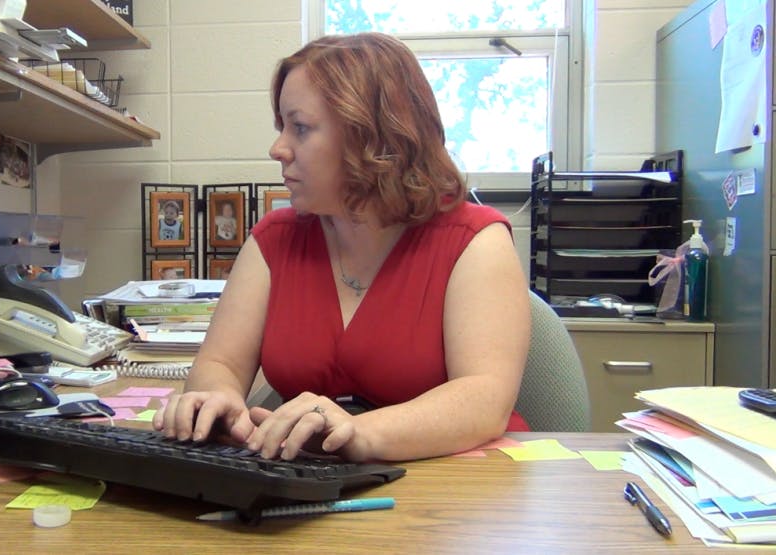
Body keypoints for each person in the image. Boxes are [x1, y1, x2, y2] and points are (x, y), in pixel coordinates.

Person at [154, 32, 530, 463]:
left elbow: (484, 400)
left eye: (300, 128)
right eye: (282, 128)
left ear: (371, 137)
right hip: (317, 485)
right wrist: (217, 400)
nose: (278, 149)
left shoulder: (476, 241)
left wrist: (358, 432)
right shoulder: (274, 240)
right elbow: (220, 362)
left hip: (456, 492)